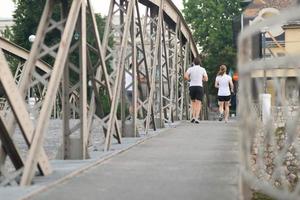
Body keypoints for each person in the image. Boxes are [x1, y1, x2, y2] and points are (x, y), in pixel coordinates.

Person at [184, 57, 208, 124]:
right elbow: (206, 79)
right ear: (199, 63)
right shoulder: (203, 69)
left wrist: (190, 79)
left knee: (193, 103)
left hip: (192, 87)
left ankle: (193, 117)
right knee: (198, 103)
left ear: (193, 62)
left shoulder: (190, 69)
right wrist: (201, 79)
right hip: (199, 87)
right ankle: (197, 118)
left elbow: (185, 76)